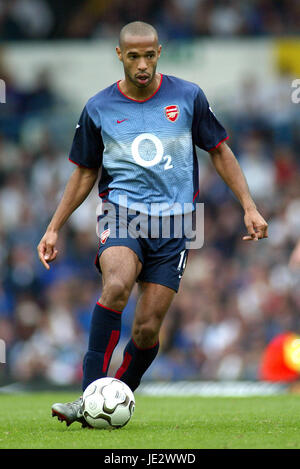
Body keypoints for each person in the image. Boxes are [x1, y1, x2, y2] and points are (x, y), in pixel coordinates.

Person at [37, 21, 268, 427]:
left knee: (145, 331)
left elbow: (220, 151)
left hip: (178, 224)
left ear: (159, 52)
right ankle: (89, 395)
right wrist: (54, 226)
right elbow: (85, 172)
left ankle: (112, 398)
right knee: (116, 284)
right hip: (121, 213)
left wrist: (249, 206)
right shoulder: (98, 107)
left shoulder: (189, 96)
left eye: (149, 55)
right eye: (133, 56)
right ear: (119, 55)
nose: (142, 64)